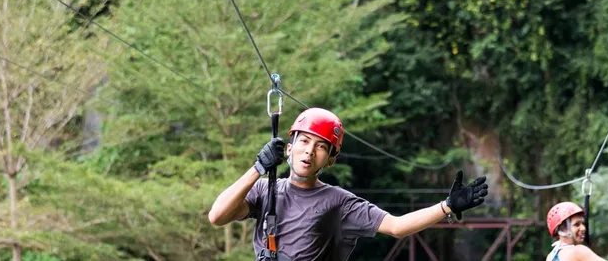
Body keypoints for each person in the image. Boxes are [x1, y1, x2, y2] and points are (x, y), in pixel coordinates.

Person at [207, 107, 489, 260]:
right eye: (304, 141)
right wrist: (258, 168)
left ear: (330, 160)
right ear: (289, 148)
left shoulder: (338, 202)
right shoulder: (264, 189)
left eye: (321, 147)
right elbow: (217, 216)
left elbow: (396, 227)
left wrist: (447, 206)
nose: (309, 151)